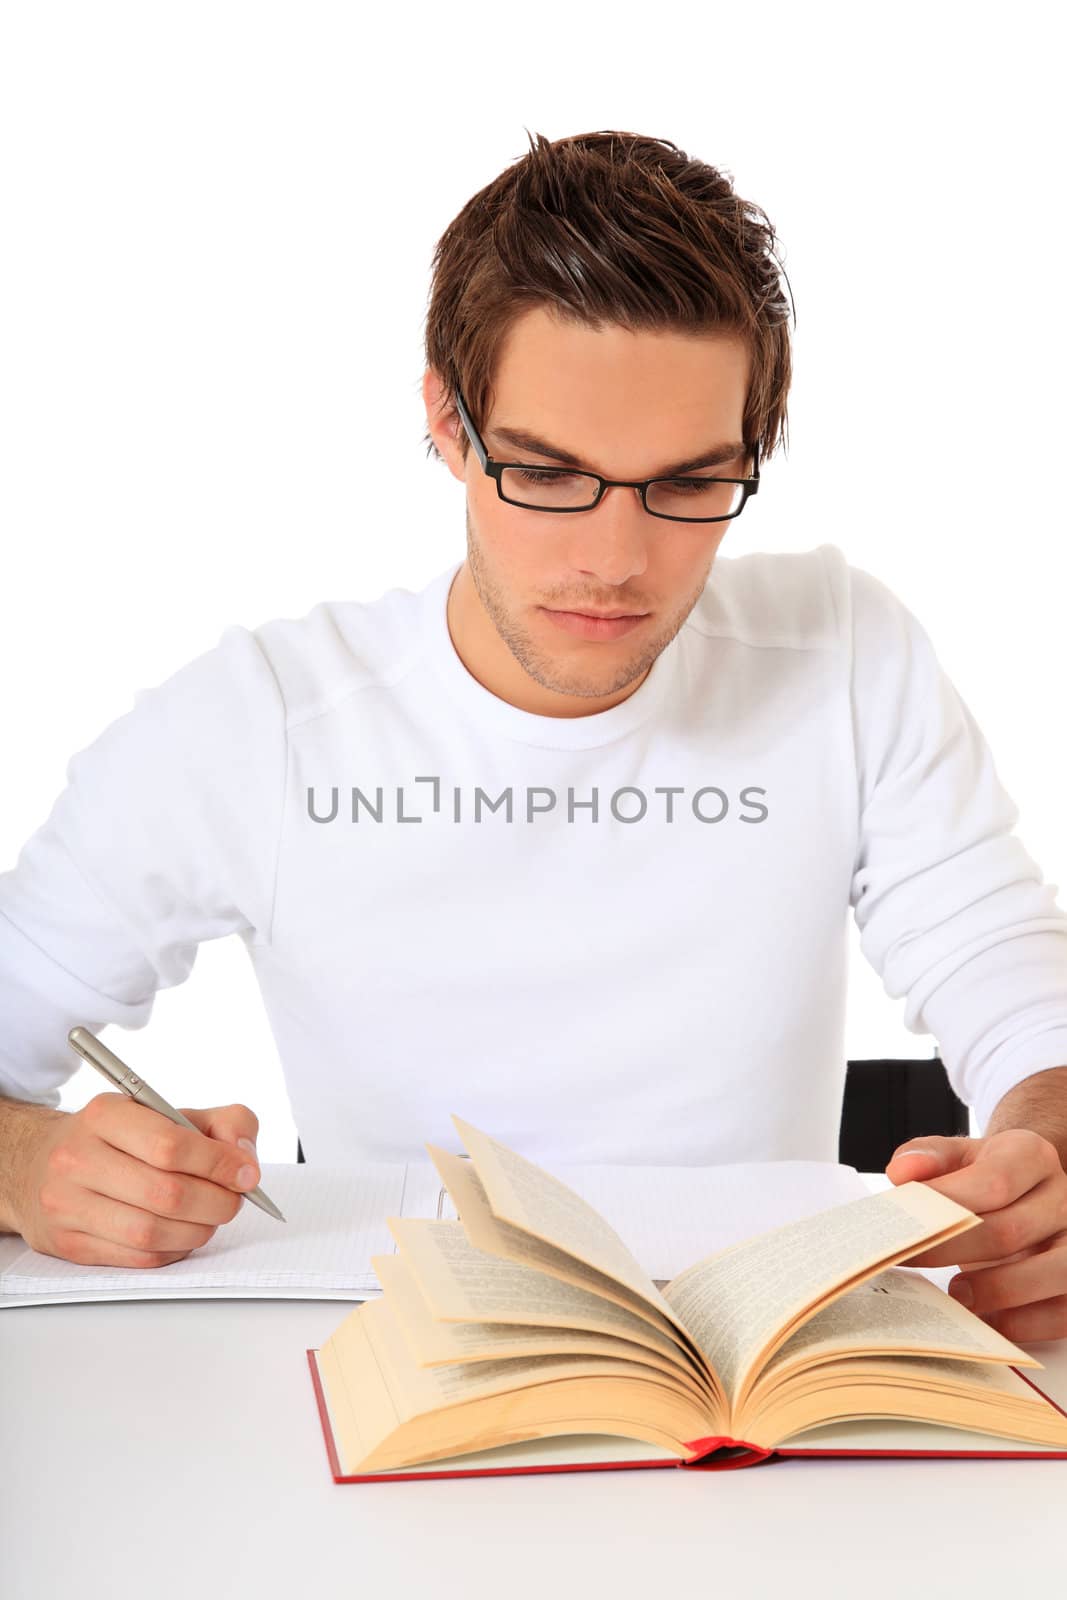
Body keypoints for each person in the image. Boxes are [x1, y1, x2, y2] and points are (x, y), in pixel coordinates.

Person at [2, 129, 1066, 1343]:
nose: (614, 559)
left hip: (753, 1385)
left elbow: (1009, 981)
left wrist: (1044, 1148)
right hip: (395, 1362)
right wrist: (26, 1164)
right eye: (547, 474)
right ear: (447, 428)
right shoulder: (259, 724)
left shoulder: (842, 652)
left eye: (686, 482)